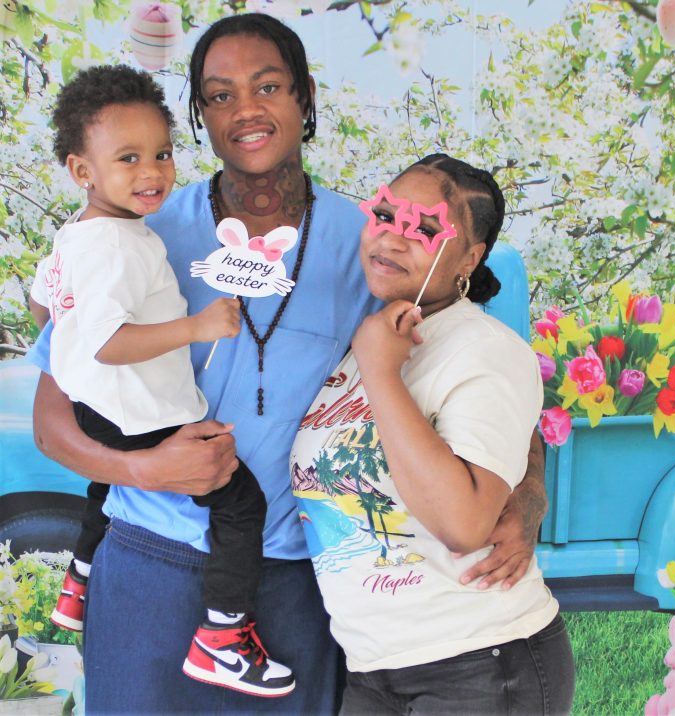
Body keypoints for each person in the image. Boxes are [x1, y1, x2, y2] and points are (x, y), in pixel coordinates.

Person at [28, 13, 547, 714]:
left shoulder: (373, 239)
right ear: (200, 117)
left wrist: (525, 497)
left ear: (305, 98)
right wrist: (142, 469)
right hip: (151, 567)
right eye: (219, 94)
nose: (245, 108)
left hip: (294, 586)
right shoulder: (138, 233)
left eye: (267, 85)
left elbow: (483, 377)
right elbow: (54, 421)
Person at [28, 63, 295, 697]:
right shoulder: (117, 248)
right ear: (82, 171)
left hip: (102, 409)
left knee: (104, 479)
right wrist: (196, 328)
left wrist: (68, 332)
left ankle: (80, 577)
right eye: (128, 158)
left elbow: (42, 303)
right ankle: (223, 635)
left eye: (162, 154)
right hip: (140, 413)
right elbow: (105, 343)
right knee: (240, 503)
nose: (151, 172)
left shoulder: (82, 235)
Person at [290, 154, 574, 715]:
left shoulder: (480, 349)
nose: (395, 238)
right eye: (386, 215)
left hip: (480, 665)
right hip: (373, 667)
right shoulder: (373, 333)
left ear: (470, 257)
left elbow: (464, 524)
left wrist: (379, 372)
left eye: (423, 229)